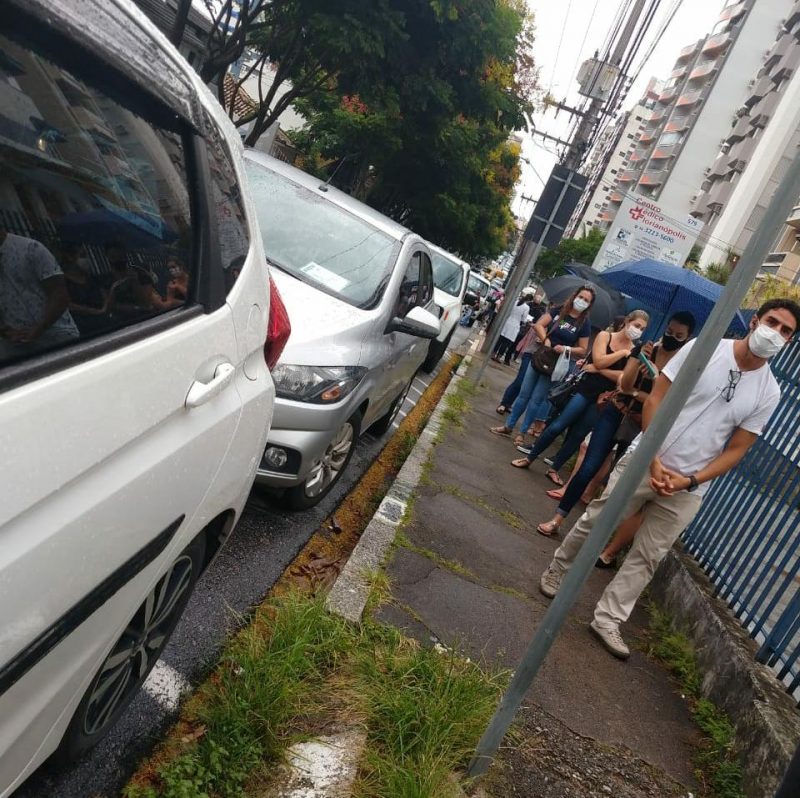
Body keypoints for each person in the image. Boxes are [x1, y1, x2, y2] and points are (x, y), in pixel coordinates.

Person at [538, 298, 800, 660]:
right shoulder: (705, 349)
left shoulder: (769, 391)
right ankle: (558, 569)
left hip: (689, 486)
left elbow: (737, 449)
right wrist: (654, 457)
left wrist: (690, 481)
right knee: (599, 519)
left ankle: (609, 618)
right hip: (647, 459)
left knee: (648, 555)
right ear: (755, 321)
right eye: (773, 322)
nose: (777, 333)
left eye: (787, 331)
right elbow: (656, 397)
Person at [535, 311, 696, 537]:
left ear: (687, 339)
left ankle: (593, 534)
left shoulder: (682, 366)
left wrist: (651, 383)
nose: (671, 337)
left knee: (617, 481)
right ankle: (557, 518)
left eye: (678, 336)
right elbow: (625, 385)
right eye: (669, 332)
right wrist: (640, 363)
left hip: (640, 426)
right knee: (588, 467)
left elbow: (663, 401)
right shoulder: (646, 350)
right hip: (615, 411)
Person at [510, 309, 650, 491]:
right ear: (627, 321)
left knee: (578, 436)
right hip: (585, 388)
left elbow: (623, 378)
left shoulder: (635, 350)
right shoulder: (605, 336)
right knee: (559, 424)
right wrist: (621, 354)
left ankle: (554, 468)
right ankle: (530, 457)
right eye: (636, 325)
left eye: (642, 328)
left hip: (603, 397)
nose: (637, 330)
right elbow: (598, 360)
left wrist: (600, 369)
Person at [490, 286, 594, 446]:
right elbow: (539, 324)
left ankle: (522, 433)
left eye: (586, 300)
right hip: (540, 356)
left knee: (536, 400)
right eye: (581, 297)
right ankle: (508, 426)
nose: (582, 301)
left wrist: (566, 349)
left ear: (589, 305)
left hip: (556, 364)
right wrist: (545, 339)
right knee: (524, 394)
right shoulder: (560, 310)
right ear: (575, 296)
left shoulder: (584, 323)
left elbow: (582, 349)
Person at [0, 229, 79, 360]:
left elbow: (59, 294)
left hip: (57, 337)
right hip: (15, 348)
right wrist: (5, 331)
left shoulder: (31, 249)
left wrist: (38, 330)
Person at [60, 242, 108, 335]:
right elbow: (66, 304)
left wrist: (104, 309)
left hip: (105, 325)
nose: (87, 259)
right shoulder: (62, 282)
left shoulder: (92, 278)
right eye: (82, 255)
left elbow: (105, 296)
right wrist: (94, 311)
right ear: (70, 257)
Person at [493, 289, 533, 365]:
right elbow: (524, 319)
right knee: (507, 342)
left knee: (501, 339)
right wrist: (527, 321)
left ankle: (493, 353)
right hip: (515, 325)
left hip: (507, 321)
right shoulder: (526, 307)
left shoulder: (515, 302)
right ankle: (498, 357)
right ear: (529, 301)